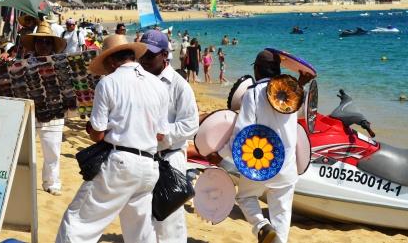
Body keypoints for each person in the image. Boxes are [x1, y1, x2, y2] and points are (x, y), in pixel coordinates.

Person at [56, 34, 169, 243]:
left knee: (78, 223)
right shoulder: (158, 85)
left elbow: (97, 133)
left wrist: (98, 129)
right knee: (140, 231)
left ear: (110, 60)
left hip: (120, 163)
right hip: (148, 165)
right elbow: (160, 134)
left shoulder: (108, 83)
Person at [209, 50, 315, 243]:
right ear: (277, 69)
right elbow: (294, 116)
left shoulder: (253, 94)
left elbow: (243, 133)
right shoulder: (293, 93)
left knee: (245, 198)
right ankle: (275, 238)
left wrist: (221, 153)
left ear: (257, 70)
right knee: (282, 216)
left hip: (260, 164)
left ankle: (262, 226)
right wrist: (299, 82)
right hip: (287, 166)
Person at [139, 30, 199, 243]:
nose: (144, 59)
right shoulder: (139, 79)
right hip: (143, 156)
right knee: (144, 212)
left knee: (171, 218)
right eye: (142, 54)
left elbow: (191, 123)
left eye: (150, 55)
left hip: (170, 157)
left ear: (165, 55)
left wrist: (163, 135)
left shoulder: (179, 85)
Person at [21, 21, 67, 195]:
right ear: (34, 44)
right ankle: (22, 182)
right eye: (40, 41)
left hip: (54, 113)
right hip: (30, 112)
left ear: (53, 45)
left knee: (53, 151)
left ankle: (51, 183)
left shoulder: (60, 63)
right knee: (24, 151)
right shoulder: (24, 63)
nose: (43, 45)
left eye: (47, 41)